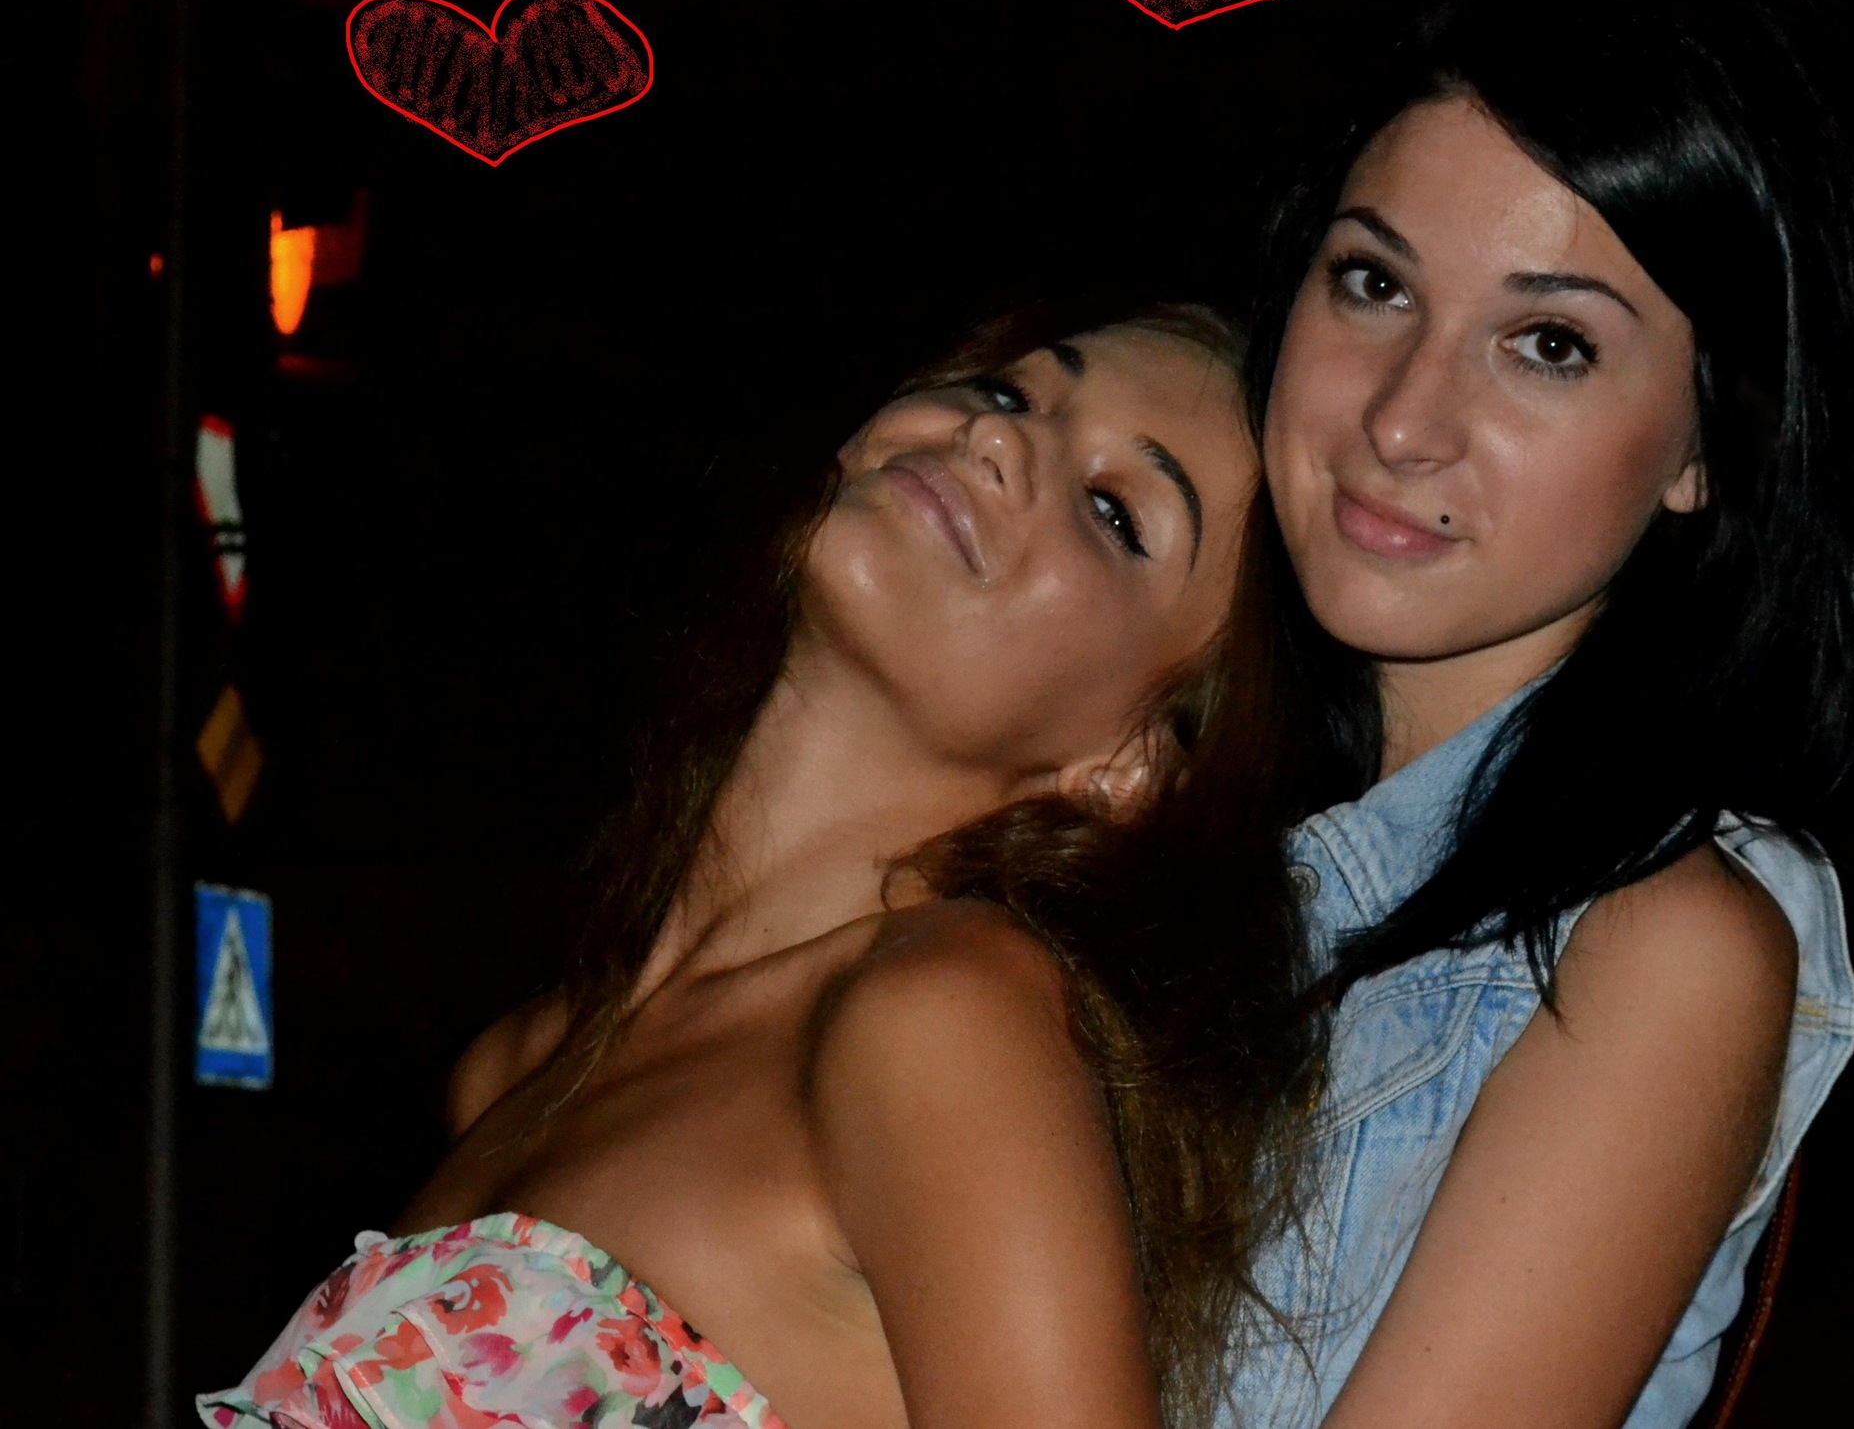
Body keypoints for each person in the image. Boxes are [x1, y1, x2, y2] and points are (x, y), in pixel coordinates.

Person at [201, 301, 1325, 1429]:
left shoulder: (942, 1016)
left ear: (1130, 764)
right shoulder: (513, 1069)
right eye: (1010, 391)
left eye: (1114, 512)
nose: (997, 437)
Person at [1222, 0, 1854, 1429]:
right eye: (1374, 282)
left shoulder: (1654, 943)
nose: (1402, 417)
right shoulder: (1163, 825)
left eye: (1550, 346)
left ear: (1703, 448)